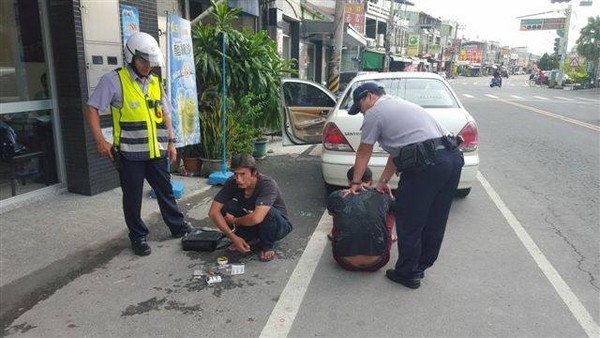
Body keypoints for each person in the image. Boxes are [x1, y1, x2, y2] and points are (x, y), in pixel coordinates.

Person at [86, 32, 196, 256]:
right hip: (129, 154)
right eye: (143, 61)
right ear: (131, 57)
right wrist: (100, 140)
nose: (147, 66)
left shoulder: (156, 82)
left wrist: (172, 143)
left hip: (156, 151)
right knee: (133, 197)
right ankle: (138, 237)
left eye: (150, 62)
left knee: (165, 191)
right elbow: (92, 107)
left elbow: (165, 115)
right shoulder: (114, 80)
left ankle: (177, 226)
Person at [345, 82, 464, 289]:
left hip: (426, 165)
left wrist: (356, 182)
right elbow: (398, 151)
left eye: (360, 106)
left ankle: (407, 273)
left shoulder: (375, 112)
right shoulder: (398, 104)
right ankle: (420, 266)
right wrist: (383, 182)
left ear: (370, 96)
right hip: (451, 159)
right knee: (435, 218)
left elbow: (364, 150)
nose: (362, 113)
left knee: (409, 219)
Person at [208, 154, 293, 262]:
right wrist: (232, 236)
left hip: (277, 226)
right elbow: (213, 212)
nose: (238, 179)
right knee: (225, 206)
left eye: (243, 174)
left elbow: (256, 218)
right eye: (235, 174)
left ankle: (266, 246)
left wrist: (235, 221)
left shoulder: (268, 185)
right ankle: (248, 238)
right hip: (252, 221)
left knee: (268, 213)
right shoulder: (232, 182)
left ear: (254, 172)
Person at [327, 166, 395, 272]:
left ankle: (334, 234)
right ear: (370, 182)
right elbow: (398, 209)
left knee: (338, 212)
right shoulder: (383, 196)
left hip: (344, 262)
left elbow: (333, 214)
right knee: (391, 211)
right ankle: (390, 236)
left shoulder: (337, 195)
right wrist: (391, 197)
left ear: (350, 182)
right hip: (378, 263)